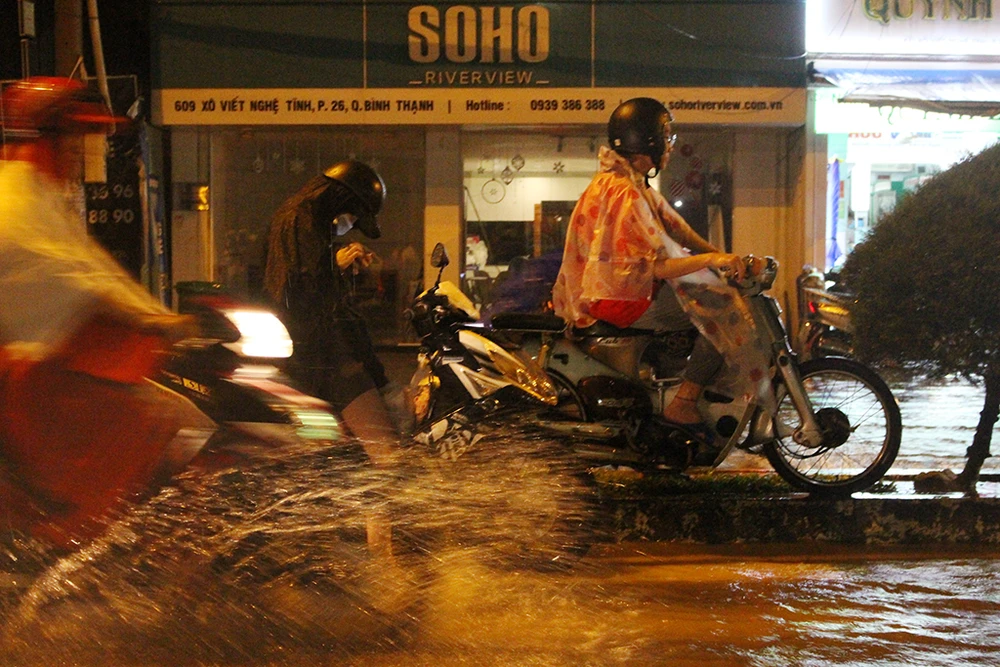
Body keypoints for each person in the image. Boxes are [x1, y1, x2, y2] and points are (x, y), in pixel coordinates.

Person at [0, 77, 210, 549]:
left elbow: (95, 272)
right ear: (52, 137)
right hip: (35, 381)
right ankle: (131, 559)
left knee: (180, 416)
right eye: (79, 138)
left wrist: (159, 317)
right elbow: (71, 283)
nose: (83, 153)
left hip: (49, 370)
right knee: (179, 427)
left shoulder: (40, 194)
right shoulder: (15, 201)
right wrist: (157, 323)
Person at [552, 97, 771, 439]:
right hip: (614, 301)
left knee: (709, 294)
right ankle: (684, 402)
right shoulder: (622, 192)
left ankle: (681, 382)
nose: (670, 145)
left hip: (618, 294)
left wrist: (727, 257)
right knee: (721, 308)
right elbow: (652, 268)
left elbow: (677, 228)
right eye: (666, 136)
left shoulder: (631, 183)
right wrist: (712, 261)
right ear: (647, 142)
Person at [263, 160, 401, 563]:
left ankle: (328, 553)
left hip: (310, 361)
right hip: (328, 361)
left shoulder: (300, 219)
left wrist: (334, 266)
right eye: (352, 215)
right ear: (342, 200)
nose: (350, 224)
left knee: (333, 464)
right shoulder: (302, 222)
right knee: (387, 457)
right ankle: (383, 559)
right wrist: (334, 269)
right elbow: (307, 300)